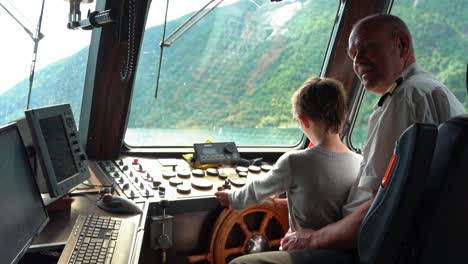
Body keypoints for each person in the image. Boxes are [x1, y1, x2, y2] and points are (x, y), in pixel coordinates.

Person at [229, 13, 465, 264]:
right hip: (387, 242)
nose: (358, 61)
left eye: (367, 48)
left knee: (242, 263)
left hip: (364, 248)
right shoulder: (431, 90)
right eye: (353, 55)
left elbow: (379, 203)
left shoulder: (406, 99)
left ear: (402, 45)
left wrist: (314, 238)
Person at [215, 77, 363, 234]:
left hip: (301, 251)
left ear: (304, 121)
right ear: (344, 115)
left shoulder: (295, 162)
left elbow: (256, 189)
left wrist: (232, 198)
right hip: (336, 247)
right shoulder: (359, 162)